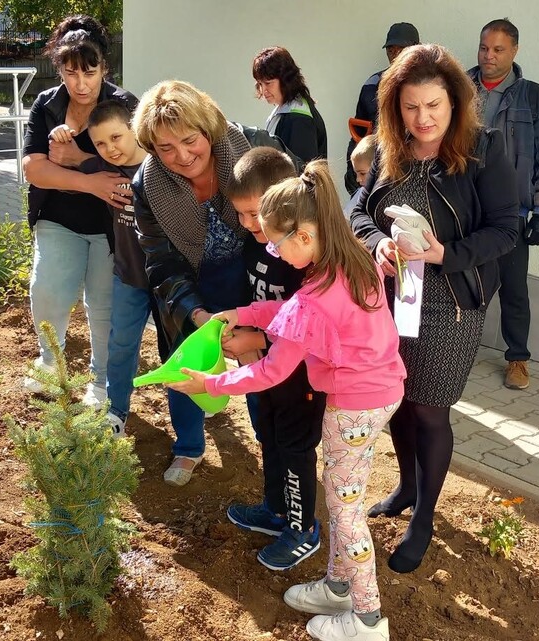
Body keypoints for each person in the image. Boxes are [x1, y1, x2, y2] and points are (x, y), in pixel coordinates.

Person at [169, 160, 406, 641]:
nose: (272, 248)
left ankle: (366, 619)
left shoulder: (316, 293)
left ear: (305, 234)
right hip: (380, 391)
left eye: (277, 240)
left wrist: (210, 385)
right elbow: (288, 309)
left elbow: (272, 369)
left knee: (345, 511)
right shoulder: (351, 260)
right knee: (345, 495)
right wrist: (241, 311)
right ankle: (339, 586)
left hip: (354, 403)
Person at [350, 43, 519, 574]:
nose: (422, 119)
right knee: (398, 399)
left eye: (433, 106)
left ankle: (423, 517)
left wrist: (446, 254)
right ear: (394, 107)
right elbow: (357, 207)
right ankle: (404, 487)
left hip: (452, 303)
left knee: (430, 407)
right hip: (393, 299)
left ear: (454, 103)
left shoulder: (483, 150)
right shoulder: (387, 148)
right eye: (410, 107)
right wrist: (375, 239)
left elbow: (506, 229)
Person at [131, 80, 293, 486]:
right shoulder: (147, 185)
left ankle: (271, 444)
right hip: (190, 289)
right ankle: (188, 446)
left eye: (189, 141)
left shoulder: (253, 148)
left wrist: (253, 322)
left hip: (254, 278)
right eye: (165, 148)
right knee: (185, 365)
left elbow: (295, 212)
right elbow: (161, 262)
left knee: (259, 364)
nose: (182, 156)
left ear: (208, 129)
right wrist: (195, 312)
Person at [221, 147, 327, 571]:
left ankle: (302, 529)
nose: (249, 225)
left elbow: (304, 319)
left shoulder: (304, 259)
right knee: (267, 434)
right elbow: (254, 300)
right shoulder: (255, 246)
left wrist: (257, 338)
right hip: (263, 368)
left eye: (255, 214)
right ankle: (275, 509)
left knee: (295, 446)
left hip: (298, 376)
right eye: (242, 216)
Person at [22, 15, 137, 405]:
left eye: (90, 72)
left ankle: (102, 383)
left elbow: (133, 167)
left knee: (104, 306)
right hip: (59, 218)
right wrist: (89, 180)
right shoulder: (47, 105)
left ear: (105, 67)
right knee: (47, 290)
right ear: (59, 70)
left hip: (112, 227)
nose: (81, 83)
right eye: (71, 73)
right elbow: (34, 169)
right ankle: (49, 361)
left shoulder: (123, 105)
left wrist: (75, 158)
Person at [469, 18, 539, 390]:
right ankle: (453, 347)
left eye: (498, 49)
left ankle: (518, 358)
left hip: (510, 211)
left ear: (515, 51)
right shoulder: (457, 89)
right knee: (458, 280)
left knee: (513, 288)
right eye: (483, 47)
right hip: (463, 205)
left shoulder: (535, 98)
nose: (489, 56)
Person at [79, 100, 169, 436]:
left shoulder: (162, 167)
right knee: (120, 345)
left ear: (133, 128)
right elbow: (69, 162)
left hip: (169, 281)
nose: (109, 148)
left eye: (116, 137)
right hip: (128, 277)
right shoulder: (103, 172)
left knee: (174, 351)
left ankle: (191, 437)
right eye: (101, 143)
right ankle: (116, 411)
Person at [343, 22, 420, 192]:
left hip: (415, 169)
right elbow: (359, 133)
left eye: (401, 49)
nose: (395, 54)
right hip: (375, 172)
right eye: (391, 50)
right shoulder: (372, 85)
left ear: (417, 48)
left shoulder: (427, 84)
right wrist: (352, 167)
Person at [252, 46, 327, 163]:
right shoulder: (287, 110)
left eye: (268, 83)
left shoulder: (300, 119)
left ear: (285, 80)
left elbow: (301, 171)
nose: (263, 90)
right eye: (260, 84)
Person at [344, 133, 379, 219]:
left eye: (362, 173)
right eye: (356, 174)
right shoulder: (360, 194)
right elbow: (345, 220)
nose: (357, 179)